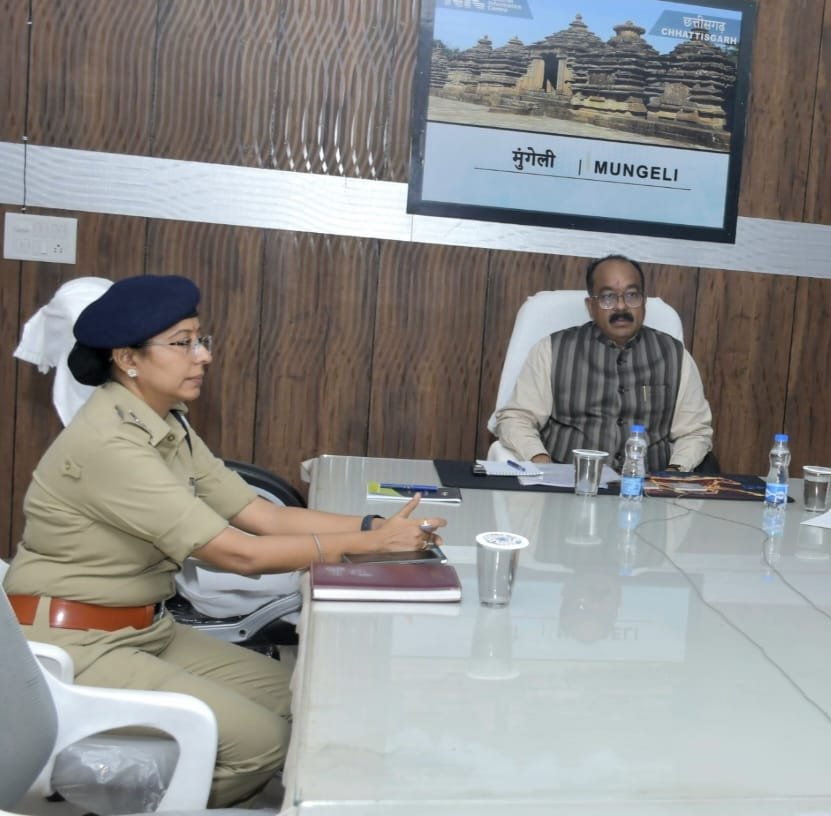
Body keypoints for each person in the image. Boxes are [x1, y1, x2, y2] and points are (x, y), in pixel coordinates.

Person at [2, 275, 444, 807]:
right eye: (182, 343)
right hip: (78, 641)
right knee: (264, 742)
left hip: (144, 627)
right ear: (128, 359)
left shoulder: (167, 424)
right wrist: (370, 546)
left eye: (200, 339)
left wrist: (374, 528)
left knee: (302, 702)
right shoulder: (110, 443)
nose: (203, 356)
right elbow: (239, 554)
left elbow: (262, 515)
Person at [491, 254, 713, 473]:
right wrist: (541, 461)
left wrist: (674, 473)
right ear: (591, 306)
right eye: (608, 297)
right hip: (568, 483)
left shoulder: (675, 356)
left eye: (632, 295)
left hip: (648, 486)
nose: (621, 307)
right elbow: (516, 418)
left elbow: (694, 432)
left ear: (644, 301)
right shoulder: (551, 350)